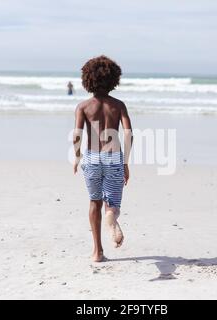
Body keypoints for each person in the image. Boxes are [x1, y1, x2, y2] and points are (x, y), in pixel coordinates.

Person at [73, 55, 133, 262]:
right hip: (113, 157)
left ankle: (97, 252)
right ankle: (111, 217)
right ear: (113, 79)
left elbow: (77, 135)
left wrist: (77, 156)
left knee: (94, 201)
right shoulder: (118, 105)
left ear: (87, 80)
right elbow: (128, 133)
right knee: (112, 203)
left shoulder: (83, 107)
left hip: (91, 158)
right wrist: (125, 162)